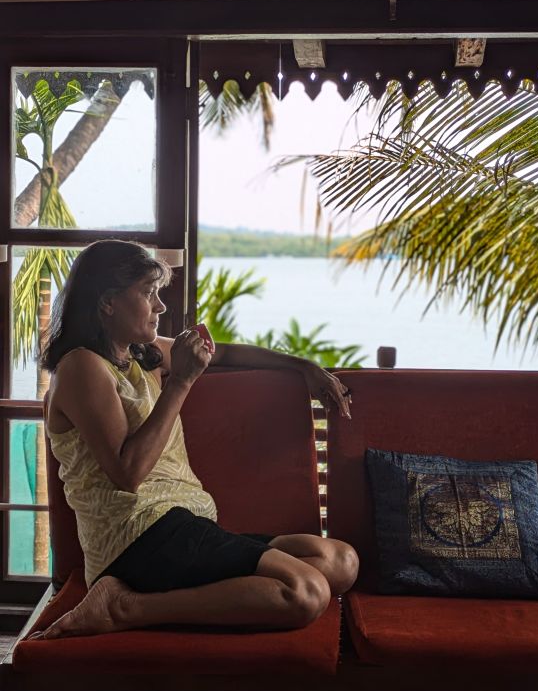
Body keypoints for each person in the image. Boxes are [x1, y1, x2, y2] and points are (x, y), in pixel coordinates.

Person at [31, 239, 358, 640]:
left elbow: (223, 355)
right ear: (107, 302)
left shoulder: (139, 354)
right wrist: (182, 381)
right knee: (305, 593)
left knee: (340, 562)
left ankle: (162, 594)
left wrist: (304, 366)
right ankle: (124, 606)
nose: (160, 306)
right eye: (148, 293)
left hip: (183, 524)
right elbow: (127, 473)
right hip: (136, 538)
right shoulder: (82, 367)